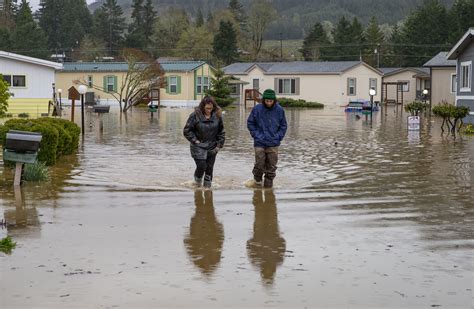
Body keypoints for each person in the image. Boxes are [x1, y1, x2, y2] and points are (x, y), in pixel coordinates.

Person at [247, 89, 287, 188]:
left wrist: (278, 137)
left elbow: (283, 126)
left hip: (273, 143)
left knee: (271, 167)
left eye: (271, 101)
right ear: (264, 100)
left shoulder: (279, 110)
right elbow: (250, 123)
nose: (269, 103)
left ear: (274, 100)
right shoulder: (257, 109)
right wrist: (256, 135)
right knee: (259, 165)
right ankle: (257, 183)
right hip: (259, 142)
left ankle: (268, 190)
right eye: (267, 101)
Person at [183, 96, 225, 188]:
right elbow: (187, 130)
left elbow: (221, 131)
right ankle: (197, 184)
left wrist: (219, 145)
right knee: (202, 166)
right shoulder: (194, 115)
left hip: (212, 146)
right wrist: (195, 140)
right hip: (198, 145)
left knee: (209, 169)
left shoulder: (217, 116)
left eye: (211, 108)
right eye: (207, 108)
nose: (209, 110)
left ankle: (208, 190)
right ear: (203, 107)